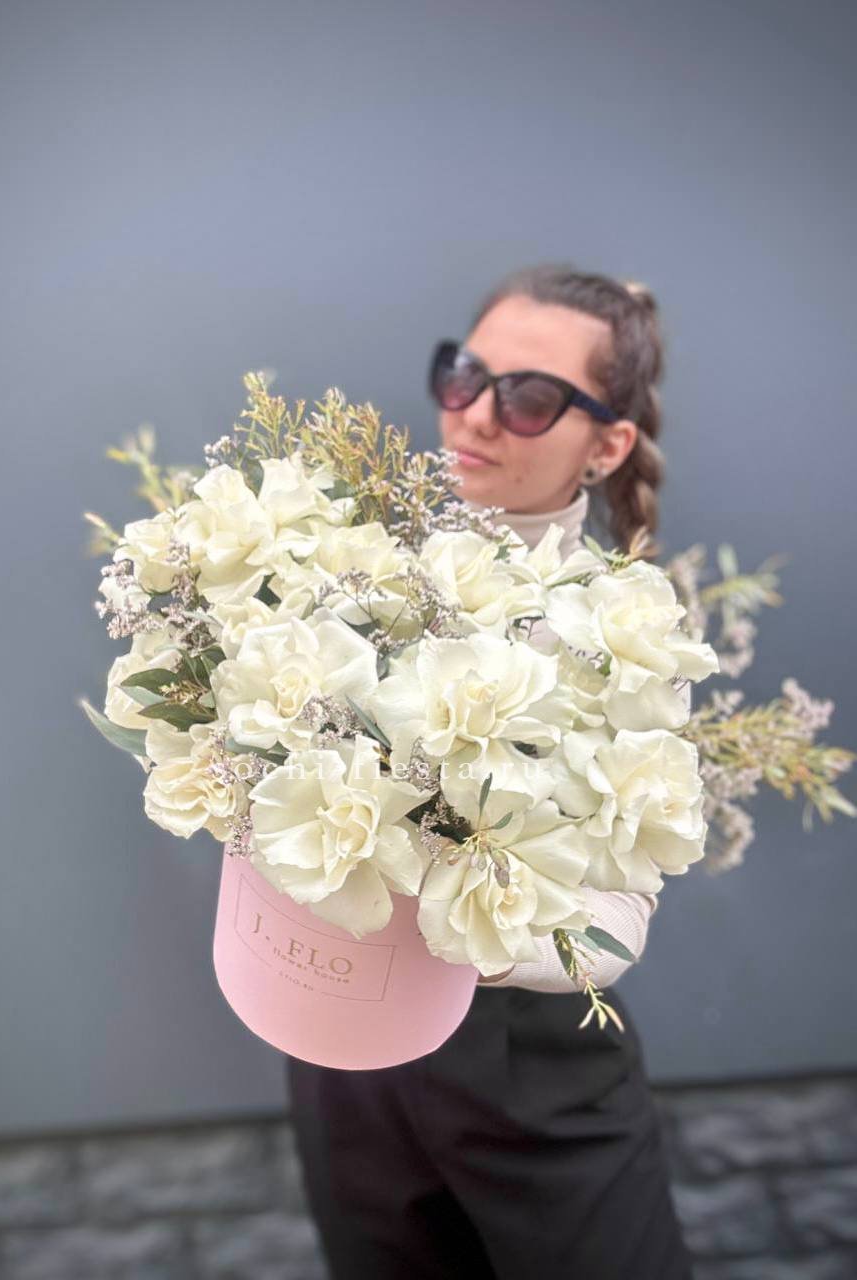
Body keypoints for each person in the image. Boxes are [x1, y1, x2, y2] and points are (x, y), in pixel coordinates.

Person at [285, 262, 695, 1279]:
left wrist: (452, 911)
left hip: (537, 1069)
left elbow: (620, 920)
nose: (472, 414)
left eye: (528, 398)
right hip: (346, 1056)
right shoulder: (342, 558)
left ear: (605, 444)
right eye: (463, 375)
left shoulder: (625, 633)